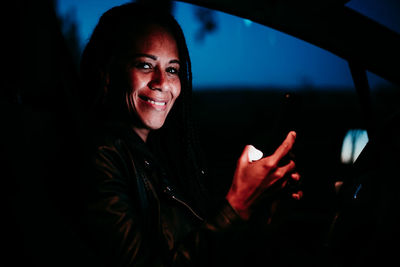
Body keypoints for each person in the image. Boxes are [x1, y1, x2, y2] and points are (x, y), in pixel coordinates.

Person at [77, 3, 301, 266]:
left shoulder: (158, 159)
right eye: (145, 65)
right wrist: (237, 206)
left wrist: (261, 215)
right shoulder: (101, 157)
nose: (162, 82)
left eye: (172, 69)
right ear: (108, 73)